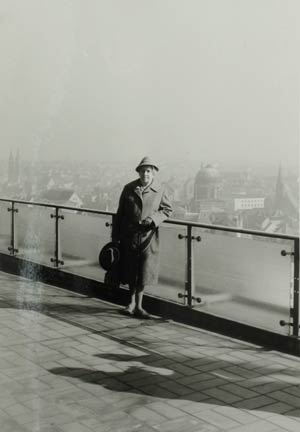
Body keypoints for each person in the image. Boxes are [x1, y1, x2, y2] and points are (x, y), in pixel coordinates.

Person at [112, 156, 173, 318]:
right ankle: (130, 304)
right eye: (142, 171)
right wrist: (115, 236)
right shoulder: (128, 188)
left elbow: (167, 210)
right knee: (131, 269)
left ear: (153, 173)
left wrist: (152, 219)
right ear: (138, 172)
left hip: (148, 237)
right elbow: (120, 214)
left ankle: (139, 305)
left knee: (144, 271)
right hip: (129, 236)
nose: (145, 174)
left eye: (148, 171)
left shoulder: (160, 190)